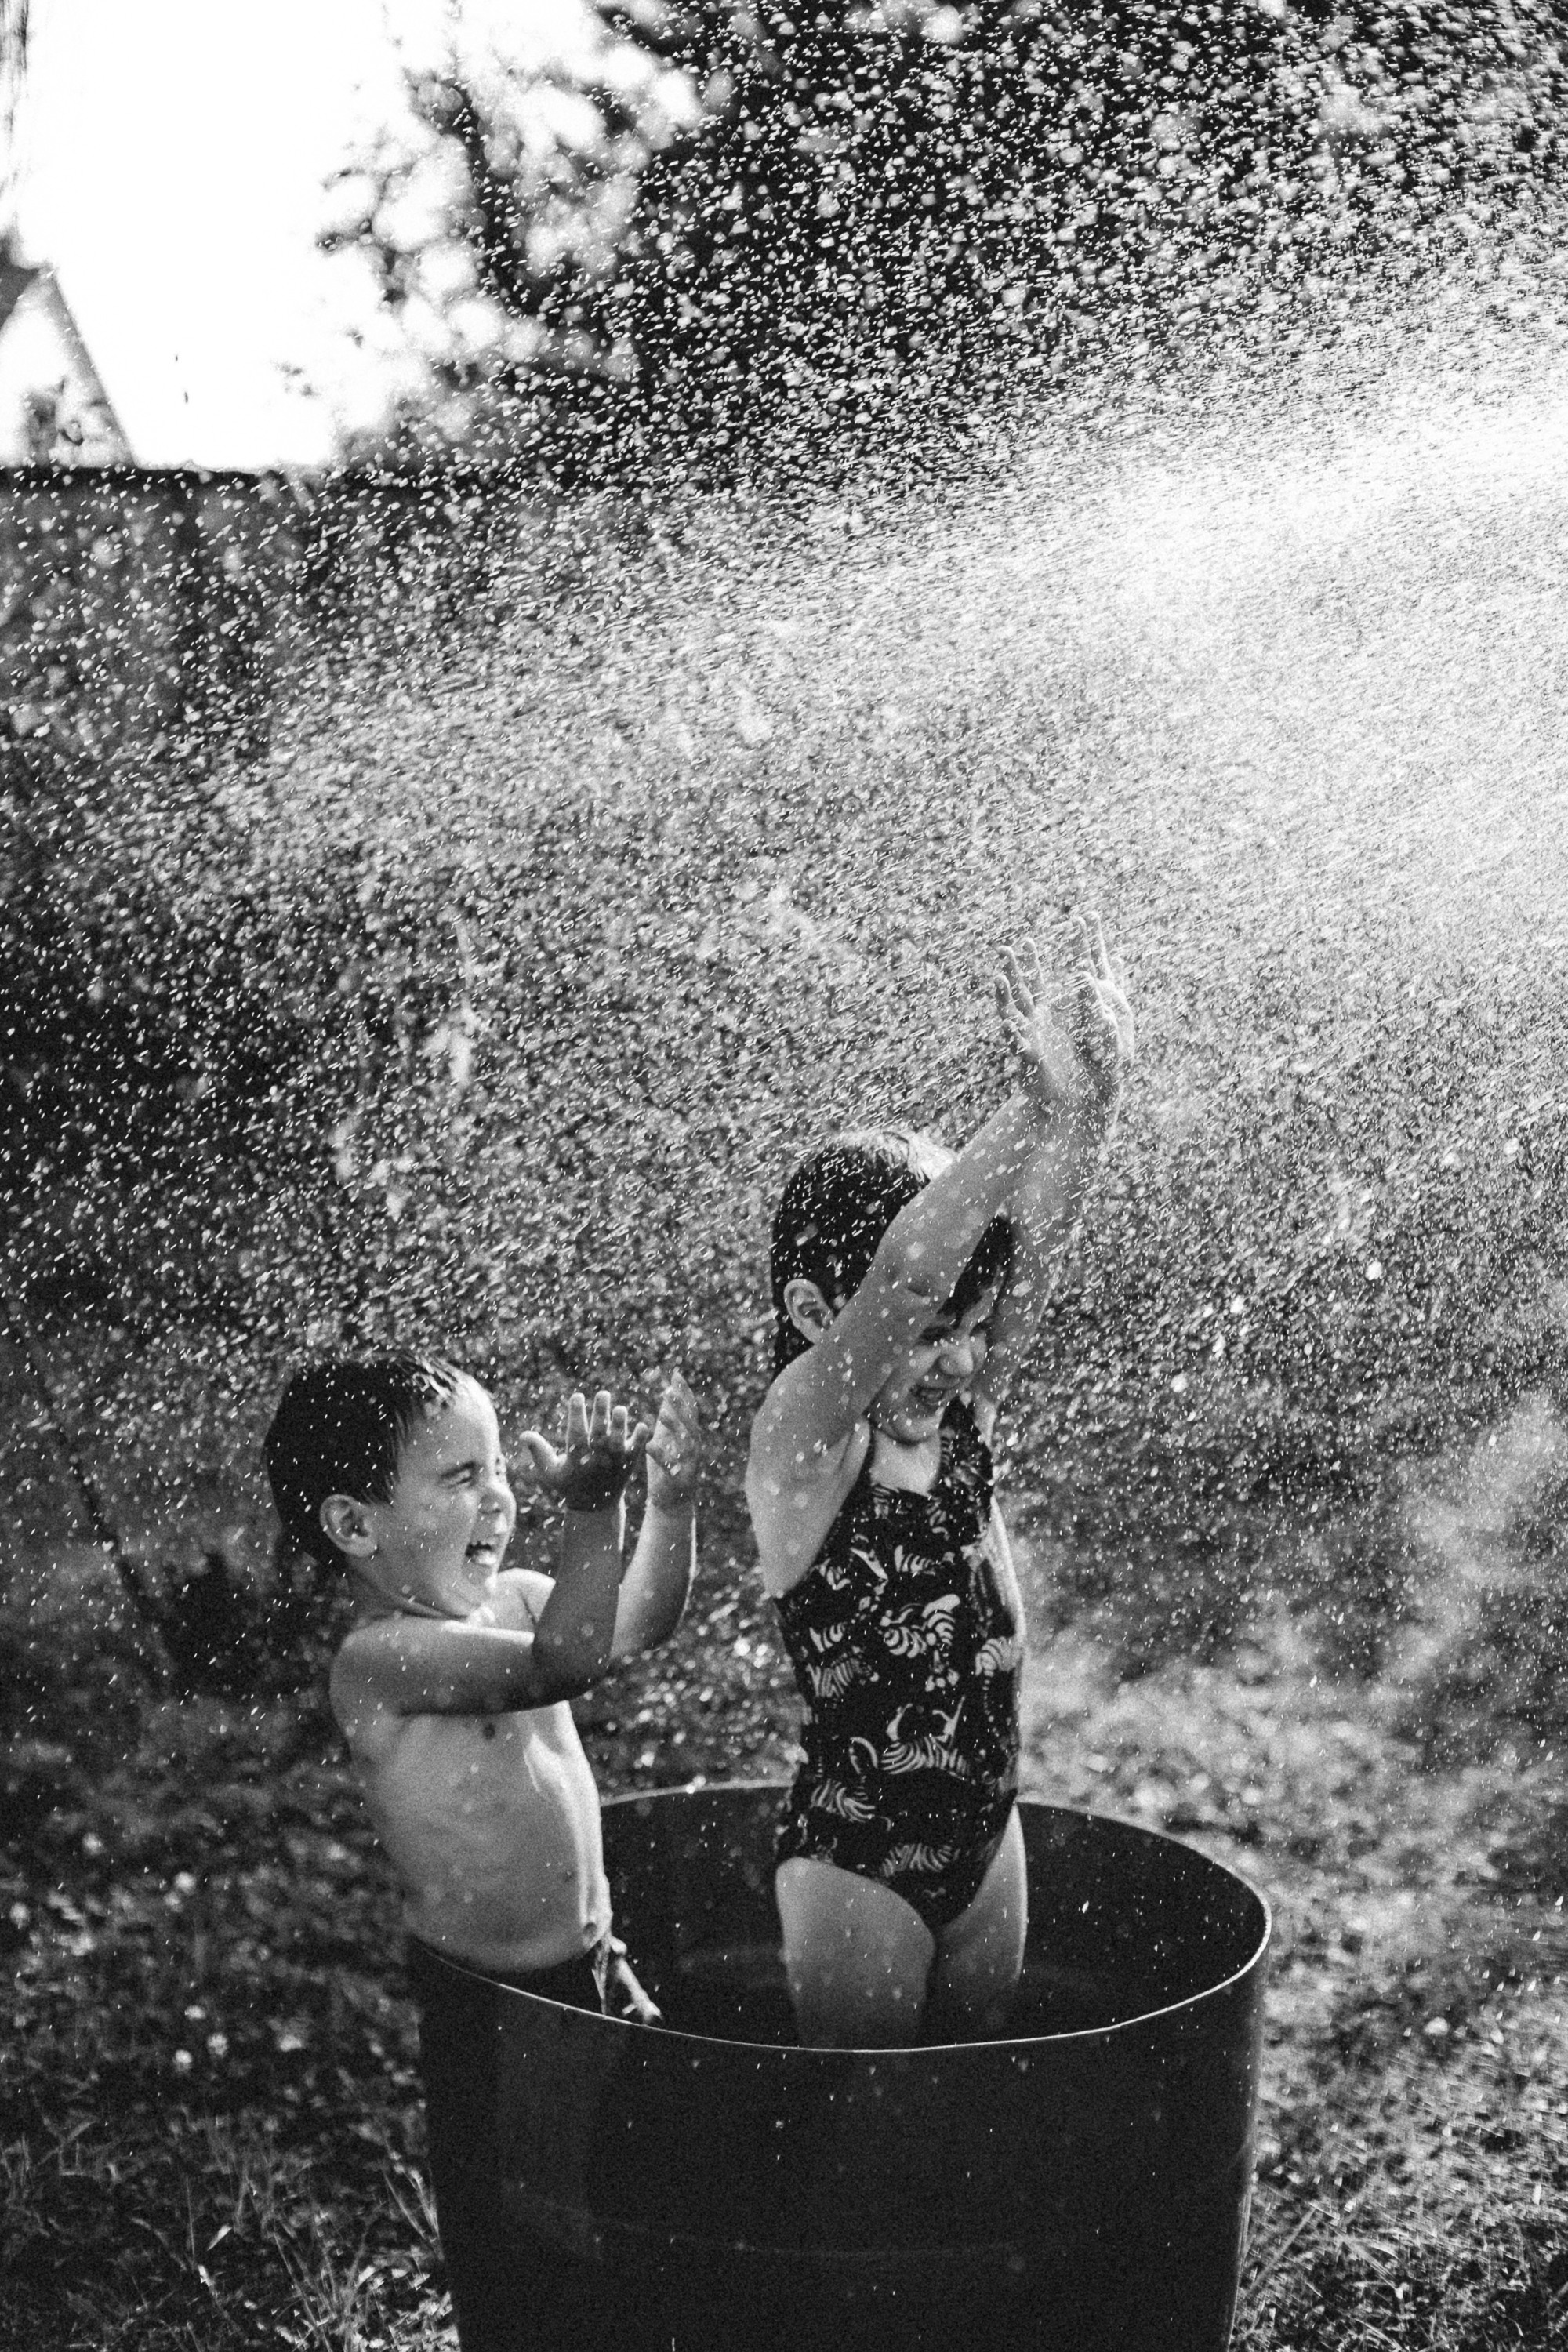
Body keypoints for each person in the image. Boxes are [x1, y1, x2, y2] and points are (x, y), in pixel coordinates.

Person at [746, 916, 1132, 2048]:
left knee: (969, 2092)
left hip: (984, 1837)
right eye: (929, 1336)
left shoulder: (961, 1418)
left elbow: (1038, 1245)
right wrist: (1025, 1112)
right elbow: (909, 1280)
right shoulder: (807, 1447)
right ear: (819, 1314)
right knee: (868, 2120)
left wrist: (1090, 1110)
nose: (962, 1358)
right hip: (860, 1859)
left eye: (975, 1327)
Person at [263, 1354, 702, 2019]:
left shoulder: (519, 1600)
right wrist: (593, 1510)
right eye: (463, 1477)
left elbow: (641, 1623)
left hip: (597, 1953)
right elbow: (564, 1665)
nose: (499, 1496)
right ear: (355, 1526)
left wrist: (670, 1507)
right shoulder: (379, 1660)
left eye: (497, 1468)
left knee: (629, 2086)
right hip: (494, 1997)